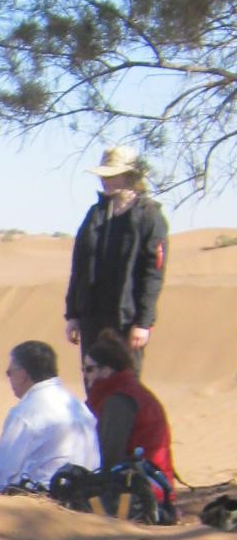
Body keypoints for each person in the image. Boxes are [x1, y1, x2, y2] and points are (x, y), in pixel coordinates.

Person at [65, 145, 167, 372]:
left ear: (130, 176)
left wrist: (143, 322)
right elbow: (79, 266)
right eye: (103, 176)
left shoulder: (149, 216)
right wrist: (73, 314)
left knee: (124, 386)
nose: (105, 181)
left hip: (126, 319)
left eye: (112, 175)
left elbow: (153, 275)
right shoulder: (96, 214)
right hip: (92, 317)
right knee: (94, 384)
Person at [0, 340, 97, 494]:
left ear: (23, 374)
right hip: (86, 497)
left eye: (9, 373)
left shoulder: (26, 412)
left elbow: (1, 470)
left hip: (45, 500)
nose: (9, 379)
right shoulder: (78, 406)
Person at [81, 331, 175, 485]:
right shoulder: (128, 391)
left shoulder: (119, 401)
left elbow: (110, 457)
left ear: (107, 370)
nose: (85, 375)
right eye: (83, 369)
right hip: (146, 481)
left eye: (90, 369)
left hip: (141, 489)